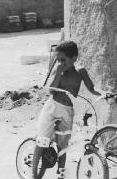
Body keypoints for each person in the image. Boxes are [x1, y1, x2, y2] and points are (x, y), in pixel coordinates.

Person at [33, 41, 101, 179]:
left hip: (67, 111)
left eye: (63, 60)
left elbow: (92, 89)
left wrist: (105, 93)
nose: (60, 63)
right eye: (58, 60)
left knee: (63, 147)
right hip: (52, 108)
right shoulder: (58, 70)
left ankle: (60, 175)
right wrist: (58, 72)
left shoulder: (80, 72)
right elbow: (51, 90)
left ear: (74, 58)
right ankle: (34, 174)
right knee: (43, 140)